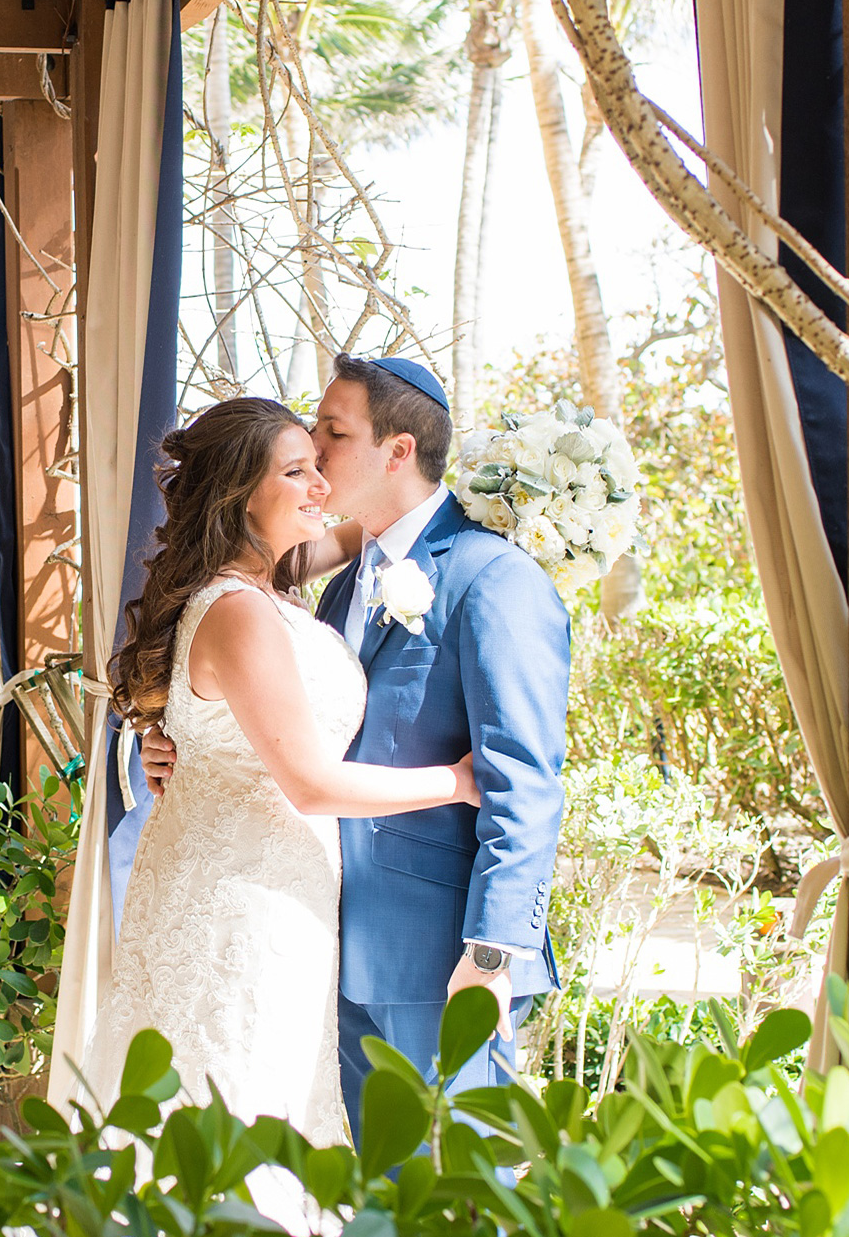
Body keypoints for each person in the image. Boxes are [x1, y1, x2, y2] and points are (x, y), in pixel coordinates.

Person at [144, 355, 570, 1141]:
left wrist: (493, 952)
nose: (317, 451)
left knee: (465, 1198)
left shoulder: (493, 577)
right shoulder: (335, 581)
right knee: (378, 1205)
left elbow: (525, 783)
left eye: (333, 434)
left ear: (397, 451)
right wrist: (182, 743)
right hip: (321, 940)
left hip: (439, 956)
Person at [85, 396, 476, 1145]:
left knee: (256, 1095)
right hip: (239, 896)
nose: (321, 484)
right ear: (239, 495)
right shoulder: (239, 609)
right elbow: (310, 783)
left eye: (318, 463)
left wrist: (509, 491)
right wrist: (457, 782)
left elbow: (387, 512)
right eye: (297, 471)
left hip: (270, 882)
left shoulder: (273, 582)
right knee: (232, 1092)